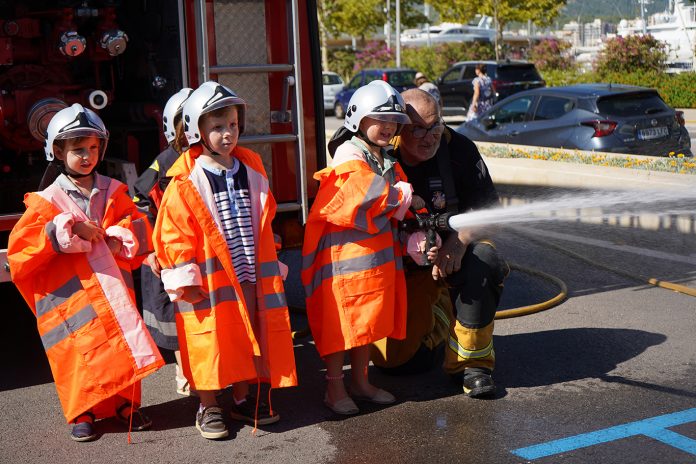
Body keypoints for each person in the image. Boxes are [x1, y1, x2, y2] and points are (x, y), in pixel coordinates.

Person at [7, 103, 164, 442]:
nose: (87, 155)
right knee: (77, 352)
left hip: (112, 286)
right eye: (78, 149)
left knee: (120, 343)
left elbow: (136, 227)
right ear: (57, 151)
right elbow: (22, 249)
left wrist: (118, 235)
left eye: (93, 148)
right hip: (71, 296)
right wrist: (69, 228)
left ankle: (126, 404)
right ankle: (84, 411)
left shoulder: (113, 190)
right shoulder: (46, 200)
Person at [152, 81, 297, 440]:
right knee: (210, 344)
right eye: (217, 127)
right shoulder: (186, 180)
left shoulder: (250, 169)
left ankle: (242, 398)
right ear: (196, 130)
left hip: (248, 275)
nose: (227, 133)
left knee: (248, 337)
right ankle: (209, 405)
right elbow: (172, 235)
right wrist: (186, 283)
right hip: (208, 284)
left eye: (232, 125)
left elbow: (265, 216)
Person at [302, 80, 435, 416]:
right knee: (340, 327)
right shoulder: (349, 154)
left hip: (370, 262)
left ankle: (360, 384)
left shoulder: (379, 156)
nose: (388, 128)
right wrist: (406, 198)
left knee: (365, 324)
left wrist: (414, 227)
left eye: (393, 123)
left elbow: (396, 197)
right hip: (344, 263)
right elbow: (366, 194)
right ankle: (334, 389)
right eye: (381, 120)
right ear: (358, 119)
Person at [371, 88, 508, 398]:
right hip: (400, 266)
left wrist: (458, 243)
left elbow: (493, 214)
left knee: (484, 259)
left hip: (452, 258)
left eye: (436, 126)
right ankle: (443, 317)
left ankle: (473, 365)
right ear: (397, 128)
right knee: (396, 363)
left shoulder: (460, 151)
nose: (430, 137)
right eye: (418, 128)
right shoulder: (379, 155)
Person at [133, 87, 194, 396]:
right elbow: (139, 203)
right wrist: (149, 249)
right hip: (168, 257)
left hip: (200, 255)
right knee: (179, 322)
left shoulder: (213, 159)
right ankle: (187, 379)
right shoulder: (165, 164)